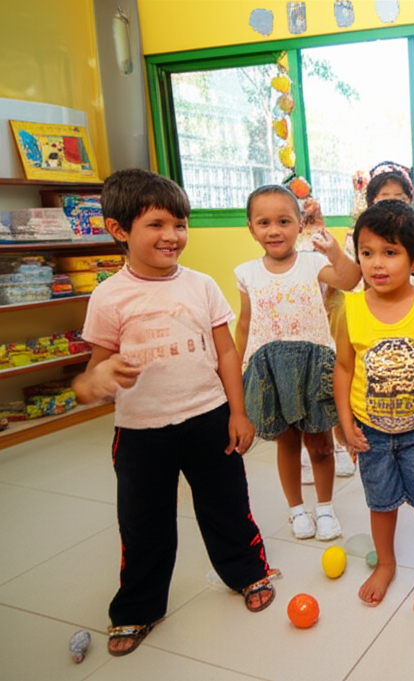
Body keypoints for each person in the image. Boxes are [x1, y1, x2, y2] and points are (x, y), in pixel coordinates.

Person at [72, 169, 277, 657]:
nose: (173, 236)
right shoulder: (109, 297)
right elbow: (88, 379)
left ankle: (248, 573)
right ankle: (138, 608)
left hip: (208, 417)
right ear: (119, 230)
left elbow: (227, 352)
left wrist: (238, 413)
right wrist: (95, 382)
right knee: (143, 523)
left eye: (180, 224)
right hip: (142, 433)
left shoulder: (201, 285)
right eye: (157, 225)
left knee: (227, 505)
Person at [333, 199, 414, 610]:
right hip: (372, 433)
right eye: (367, 253)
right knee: (380, 505)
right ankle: (386, 563)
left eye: (390, 253)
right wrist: (345, 424)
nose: (376, 264)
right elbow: (344, 368)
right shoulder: (352, 307)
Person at [235, 184, 360, 541]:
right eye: (264, 222)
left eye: (284, 221)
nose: (274, 230)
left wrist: (333, 249)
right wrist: (239, 370)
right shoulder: (246, 273)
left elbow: (352, 280)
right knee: (287, 444)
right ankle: (296, 510)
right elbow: (244, 323)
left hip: (312, 364)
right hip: (269, 368)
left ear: (299, 225)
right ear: (251, 227)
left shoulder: (314, 263)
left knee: (320, 444)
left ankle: (324, 508)